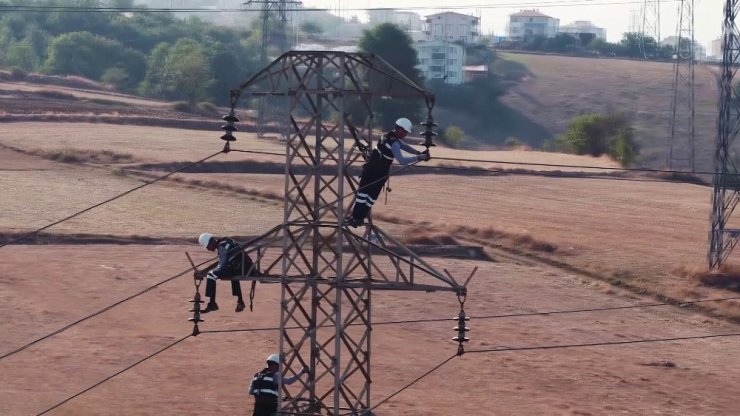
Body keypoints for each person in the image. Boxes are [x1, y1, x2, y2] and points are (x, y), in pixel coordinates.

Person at [347, 117, 430, 227]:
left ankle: (355, 218)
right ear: (399, 129)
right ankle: (358, 219)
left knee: (362, 194)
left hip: (369, 169)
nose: (405, 134)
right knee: (370, 198)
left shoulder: (387, 136)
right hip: (379, 173)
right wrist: (419, 157)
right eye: (405, 132)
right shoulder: (394, 143)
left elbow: (404, 146)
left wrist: (418, 152)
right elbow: (402, 160)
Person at [196, 232, 258, 313]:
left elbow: (222, 265)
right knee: (230, 271)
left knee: (211, 274)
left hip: (244, 269)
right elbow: (225, 260)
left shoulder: (222, 247)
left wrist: (211, 272)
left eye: (207, 246)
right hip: (247, 267)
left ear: (210, 243)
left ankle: (212, 304)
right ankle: (240, 301)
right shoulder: (226, 241)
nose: (208, 249)